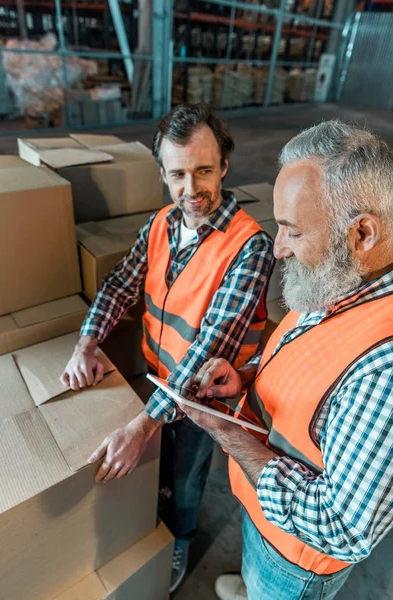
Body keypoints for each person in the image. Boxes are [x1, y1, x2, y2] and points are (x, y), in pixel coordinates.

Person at [60, 103, 274, 592]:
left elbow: (209, 346)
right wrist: (87, 343)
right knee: (156, 465)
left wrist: (140, 427)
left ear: (224, 165)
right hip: (157, 381)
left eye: (203, 171)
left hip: (203, 399)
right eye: (177, 174)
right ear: (162, 173)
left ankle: (180, 540)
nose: (191, 189)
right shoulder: (160, 225)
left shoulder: (248, 246)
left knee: (187, 478)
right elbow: (119, 286)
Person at [180, 120, 393, 600]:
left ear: (362, 233)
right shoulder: (337, 281)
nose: (277, 249)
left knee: (271, 585)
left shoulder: (386, 369)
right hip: (265, 516)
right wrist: (248, 377)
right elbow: (317, 367)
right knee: (256, 569)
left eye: (292, 232)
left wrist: (228, 434)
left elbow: (342, 528)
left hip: (295, 558)